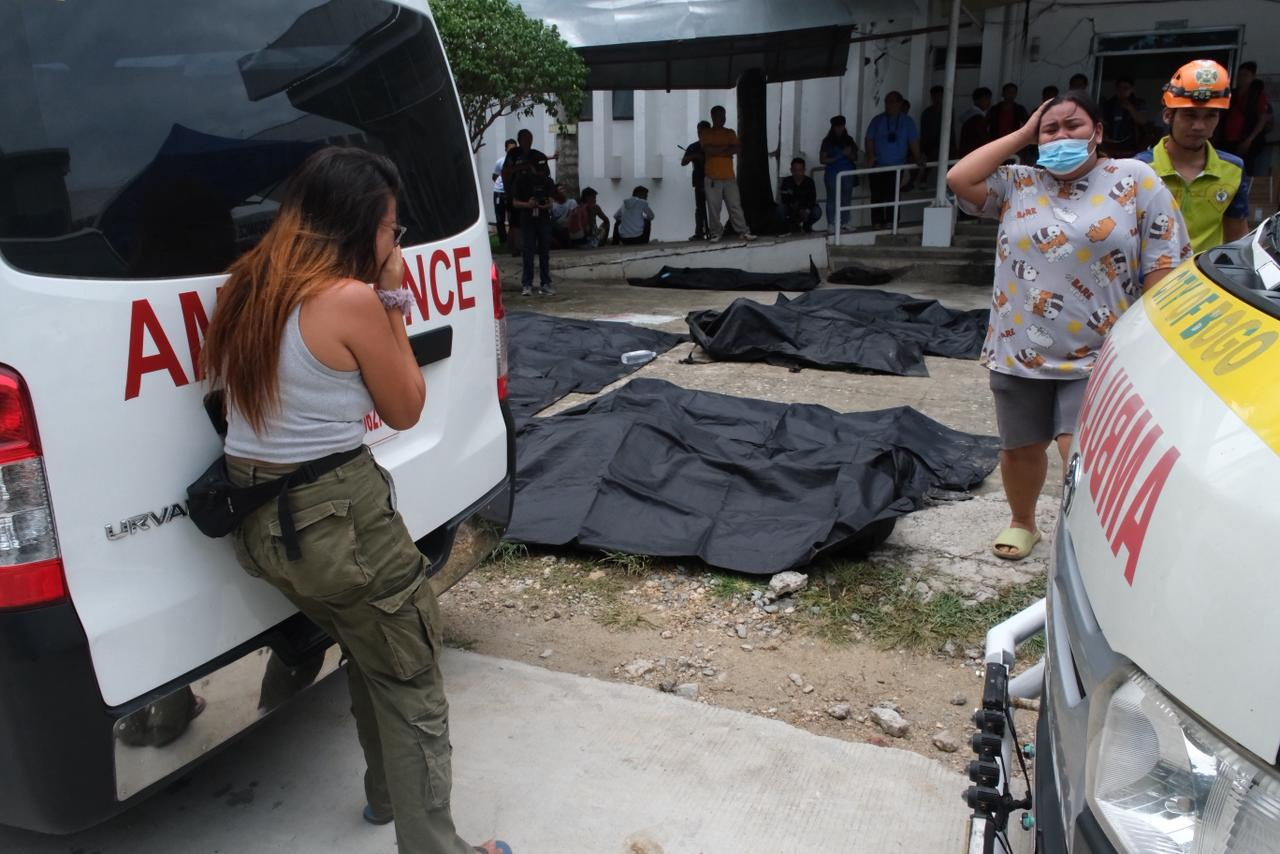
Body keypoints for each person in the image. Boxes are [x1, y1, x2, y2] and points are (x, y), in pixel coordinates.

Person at [203, 147, 511, 854]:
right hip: (337, 518)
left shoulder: (248, 283)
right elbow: (405, 406)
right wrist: (394, 299)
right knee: (411, 675)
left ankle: (386, 795)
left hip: (261, 520)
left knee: (370, 644)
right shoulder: (349, 300)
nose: (394, 243)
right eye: (391, 229)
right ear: (355, 226)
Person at [946, 94, 1189, 561]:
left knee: (1079, 451)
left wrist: (1154, 339)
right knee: (1019, 448)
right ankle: (1023, 522)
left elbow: (1162, 259)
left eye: (1072, 125)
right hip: (1019, 347)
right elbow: (960, 179)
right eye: (1049, 129)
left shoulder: (1134, 179)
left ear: (1097, 131)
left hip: (1101, 351)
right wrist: (1023, 134)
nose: (1060, 136)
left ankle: (1084, 542)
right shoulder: (1018, 182)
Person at [1136, 60, 1250, 253]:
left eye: (1210, 116)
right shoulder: (1139, 169)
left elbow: (1237, 236)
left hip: (1206, 271)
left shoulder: (1233, 169)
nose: (1199, 126)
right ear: (1168, 116)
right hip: (1152, 272)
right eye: (1190, 115)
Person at [865, 91, 925, 228]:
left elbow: (913, 141)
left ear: (899, 103)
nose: (888, 105)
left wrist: (917, 157)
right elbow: (869, 139)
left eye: (891, 102)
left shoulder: (907, 122)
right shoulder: (877, 120)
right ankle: (877, 222)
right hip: (878, 165)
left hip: (897, 166)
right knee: (877, 195)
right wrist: (870, 155)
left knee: (893, 194)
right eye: (886, 102)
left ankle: (892, 222)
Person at [700, 105, 757, 241]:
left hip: (729, 177)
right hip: (712, 177)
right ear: (713, 117)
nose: (722, 118)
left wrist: (717, 150)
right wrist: (726, 149)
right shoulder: (706, 133)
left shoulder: (730, 132)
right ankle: (716, 232)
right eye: (719, 115)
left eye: (724, 115)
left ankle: (743, 231)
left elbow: (737, 148)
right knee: (714, 208)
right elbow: (708, 150)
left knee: (735, 206)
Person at [1220, 61, 1273, 178]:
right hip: (1227, 140)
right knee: (1226, 170)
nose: (1241, 78)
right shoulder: (1232, 94)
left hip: (1246, 140)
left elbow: (1262, 119)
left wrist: (1249, 140)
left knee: (1244, 171)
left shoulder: (1257, 96)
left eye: (1245, 75)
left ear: (1253, 77)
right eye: (1240, 75)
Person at [510, 161, 556, 296]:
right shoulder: (521, 180)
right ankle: (527, 284)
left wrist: (545, 205)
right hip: (528, 218)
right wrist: (527, 204)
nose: (540, 172)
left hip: (543, 217)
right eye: (538, 169)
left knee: (544, 251)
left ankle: (545, 283)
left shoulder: (548, 181)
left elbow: (551, 201)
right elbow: (515, 202)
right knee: (528, 251)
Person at [818, 114, 858, 229]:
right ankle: (831, 224)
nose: (840, 128)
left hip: (847, 173)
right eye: (837, 126)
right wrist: (840, 155)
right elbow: (822, 160)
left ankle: (845, 222)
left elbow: (855, 157)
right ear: (833, 127)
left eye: (841, 126)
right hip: (832, 173)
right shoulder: (827, 141)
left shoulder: (849, 140)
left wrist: (849, 154)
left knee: (846, 198)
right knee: (832, 198)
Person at [1101, 77, 1148, 158]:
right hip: (1111, 145)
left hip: (1131, 146)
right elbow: (1102, 121)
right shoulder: (1109, 104)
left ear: (1132, 89)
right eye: (1119, 89)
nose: (1122, 91)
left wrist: (1131, 109)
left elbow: (1142, 121)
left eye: (1125, 88)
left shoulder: (1138, 103)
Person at [681, 121, 710, 240]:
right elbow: (683, 162)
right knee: (700, 208)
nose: (700, 134)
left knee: (714, 207)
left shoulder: (713, 146)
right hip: (699, 181)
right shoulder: (693, 147)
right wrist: (694, 156)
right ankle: (699, 232)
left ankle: (714, 230)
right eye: (698, 132)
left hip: (713, 180)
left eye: (702, 132)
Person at [776, 157, 821, 232]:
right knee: (780, 209)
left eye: (800, 170)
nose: (797, 173)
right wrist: (795, 207)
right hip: (791, 208)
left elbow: (812, 199)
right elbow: (784, 199)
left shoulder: (809, 182)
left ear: (804, 170)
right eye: (795, 170)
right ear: (791, 170)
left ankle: (806, 226)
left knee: (817, 211)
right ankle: (787, 227)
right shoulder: (787, 181)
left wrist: (806, 210)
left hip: (805, 209)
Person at [919, 85, 953, 181]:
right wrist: (923, 149)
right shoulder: (927, 113)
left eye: (939, 96)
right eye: (935, 97)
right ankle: (923, 180)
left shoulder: (949, 110)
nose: (937, 99)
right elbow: (924, 131)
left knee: (949, 165)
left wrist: (953, 145)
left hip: (947, 144)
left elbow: (951, 129)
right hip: (931, 145)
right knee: (928, 165)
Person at [490, 138, 516, 246]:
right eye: (510, 149)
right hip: (499, 192)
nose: (512, 151)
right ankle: (503, 241)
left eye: (514, 149)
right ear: (506, 149)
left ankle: (512, 240)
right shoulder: (500, 161)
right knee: (500, 217)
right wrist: (501, 184)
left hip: (512, 192)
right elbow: (494, 176)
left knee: (512, 217)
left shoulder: (518, 162)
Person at [958, 88, 993, 157]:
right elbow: (984, 138)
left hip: (968, 152)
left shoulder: (970, 114)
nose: (989, 102)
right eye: (986, 99)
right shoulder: (977, 118)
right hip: (975, 153)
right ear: (977, 100)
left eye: (989, 99)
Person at [549, 183, 577, 248]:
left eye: (564, 189)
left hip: (567, 230)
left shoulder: (571, 202)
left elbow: (571, 217)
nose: (563, 191)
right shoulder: (553, 205)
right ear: (556, 193)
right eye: (561, 189)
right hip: (557, 231)